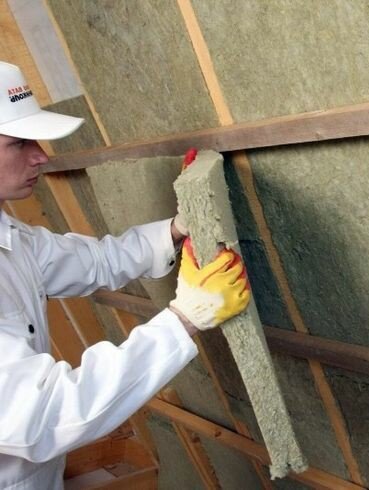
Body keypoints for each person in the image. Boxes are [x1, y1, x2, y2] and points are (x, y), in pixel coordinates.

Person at [0, 61, 250, 489]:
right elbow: (49, 414)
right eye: (19, 143)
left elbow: (96, 261)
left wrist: (175, 231)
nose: (40, 155)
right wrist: (184, 319)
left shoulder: (12, 236)